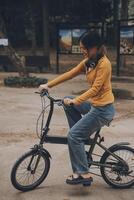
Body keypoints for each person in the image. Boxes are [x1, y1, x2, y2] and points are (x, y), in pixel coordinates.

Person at [39, 31, 115, 186]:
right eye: (82, 48)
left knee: (73, 135)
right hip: (94, 105)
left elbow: (95, 89)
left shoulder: (104, 64)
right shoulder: (89, 61)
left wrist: (75, 101)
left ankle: (83, 174)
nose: (83, 51)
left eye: (85, 48)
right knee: (66, 101)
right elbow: (70, 73)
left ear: (96, 47)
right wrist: (48, 85)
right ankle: (81, 138)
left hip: (103, 109)